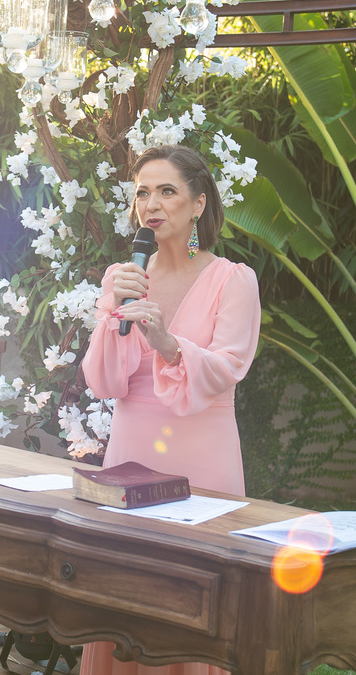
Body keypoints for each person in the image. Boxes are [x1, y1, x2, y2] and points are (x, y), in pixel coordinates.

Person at [79, 144, 261, 675]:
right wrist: (115, 308)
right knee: (124, 598)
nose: (151, 204)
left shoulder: (234, 280)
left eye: (166, 191)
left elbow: (228, 366)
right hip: (130, 453)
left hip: (202, 455)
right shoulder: (125, 276)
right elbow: (104, 379)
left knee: (195, 601)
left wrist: (166, 341)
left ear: (199, 203)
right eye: (142, 192)